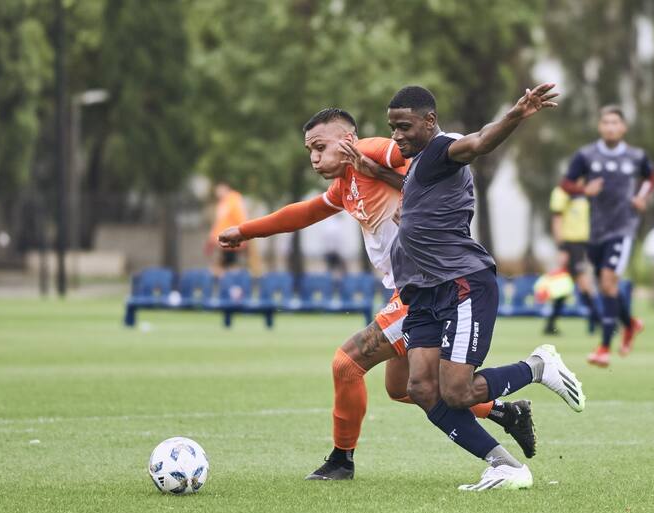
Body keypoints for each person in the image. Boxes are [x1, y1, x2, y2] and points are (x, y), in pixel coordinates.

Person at [218, 108, 536, 481]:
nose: (314, 158)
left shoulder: (375, 150)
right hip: (411, 290)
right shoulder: (344, 185)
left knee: (347, 363)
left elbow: (421, 159)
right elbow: (305, 212)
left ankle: (341, 460)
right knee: (403, 389)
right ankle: (504, 412)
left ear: (349, 141)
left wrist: (405, 192)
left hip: (426, 286)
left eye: (320, 147)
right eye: (309, 151)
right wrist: (246, 230)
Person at [386, 83, 585, 491]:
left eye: (404, 126)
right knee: (422, 387)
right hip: (424, 292)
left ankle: (537, 367)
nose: (396, 135)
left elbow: (477, 143)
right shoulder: (420, 165)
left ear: (429, 121)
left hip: (461, 285)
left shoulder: (443, 148)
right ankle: (504, 466)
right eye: (392, 128)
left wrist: (515, 114)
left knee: (456, 392)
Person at [560, 105, 654, 367]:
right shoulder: (586, 155)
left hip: (622, 229)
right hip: (594, 232)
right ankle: (631, 323)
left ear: (623, 127)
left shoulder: (636, 156)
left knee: (608, 281)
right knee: (607, 286)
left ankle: (603, 347)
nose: (611, 127)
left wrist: (641, 197)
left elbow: (651, 177)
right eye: (606, 123)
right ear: (600, 127)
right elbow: (566, 184)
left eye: (615, 123)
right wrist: (583, 190)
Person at [542, 184, 599, 335]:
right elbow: (557, 220)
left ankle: (550, 324)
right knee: (582, 283)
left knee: (566, 285)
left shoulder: (585, 192)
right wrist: (562, 248)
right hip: (570, 245)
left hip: (582, 245)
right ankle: (598, 321)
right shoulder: (562, 191)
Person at [206, 182, 248, 276]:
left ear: (226, 188)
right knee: (225, 263)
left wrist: (243, 234)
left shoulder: (233, 199)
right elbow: (219, 221)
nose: (218, 193)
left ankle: (231, 284)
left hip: (231, 237)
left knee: (229, 264)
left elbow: (240, 218)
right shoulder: (223, 202)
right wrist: (212, 236)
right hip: (224, 238)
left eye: (220, 190)